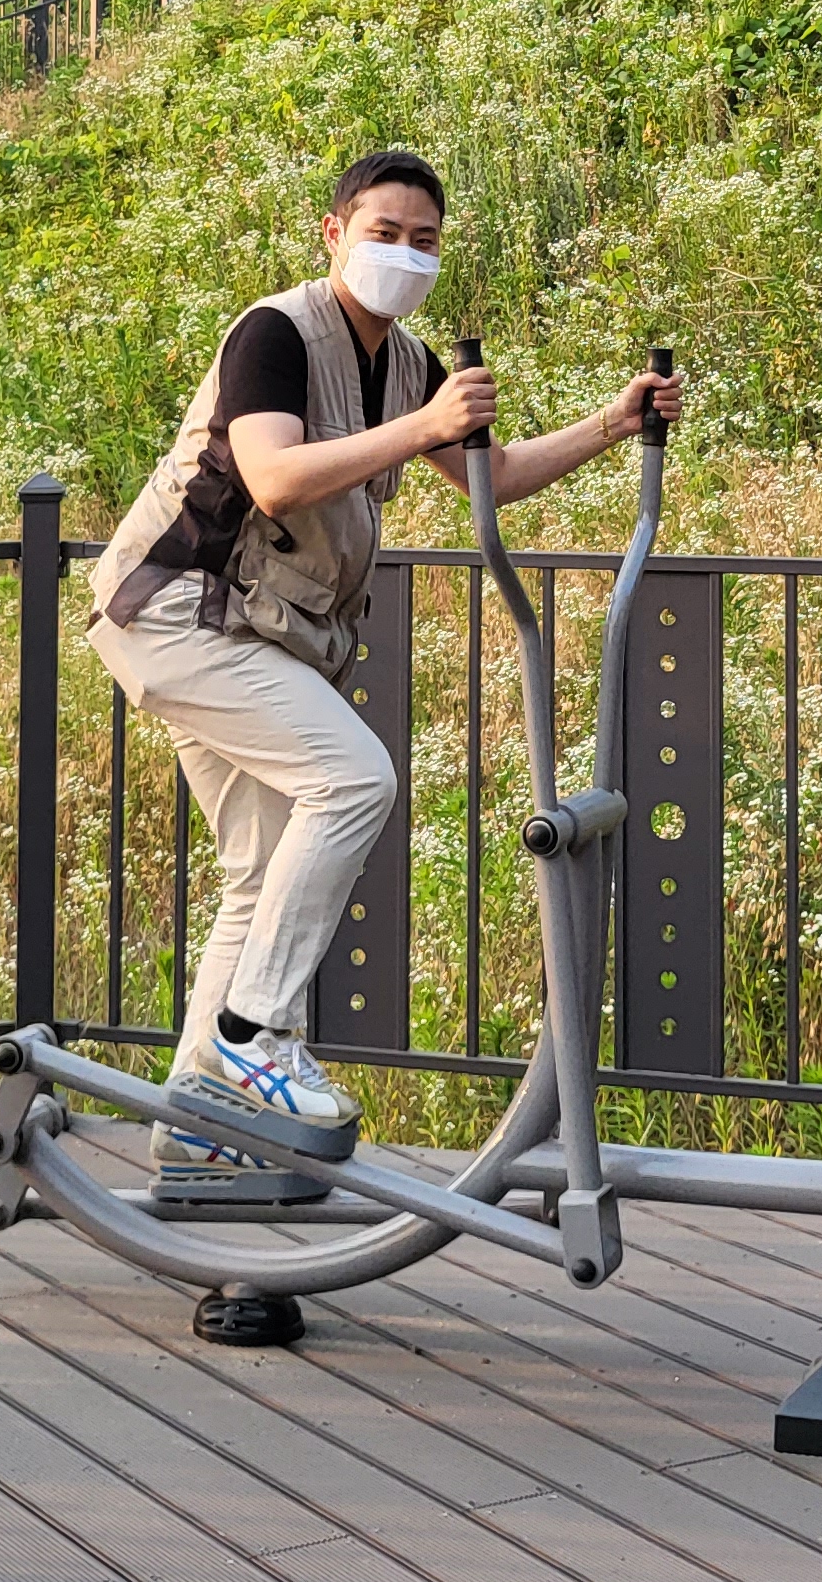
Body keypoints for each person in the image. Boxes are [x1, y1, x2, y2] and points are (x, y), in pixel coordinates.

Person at [88, 147, 681, 1158]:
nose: (404, 254)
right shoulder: (275, 334)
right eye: (384, 233)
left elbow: (494, 476)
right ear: (335, 233)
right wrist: (420, 429)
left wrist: (611, 424)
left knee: (257, 874)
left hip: (252, 631)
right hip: (179, 611)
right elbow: (273, 479)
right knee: (355, 779)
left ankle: (196, 1133)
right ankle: (253, 1036)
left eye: (424, 240)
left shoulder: (405, 362)